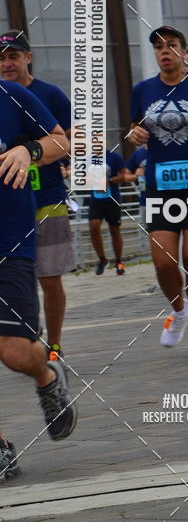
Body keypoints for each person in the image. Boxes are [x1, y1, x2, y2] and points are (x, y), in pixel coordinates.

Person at [0, 79, 77, 479]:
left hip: (9, 240)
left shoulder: (12, 96)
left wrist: (27, 150)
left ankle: (46, 376)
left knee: (14, 352)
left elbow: (60, 142)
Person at [129, 25, 188, 357]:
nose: (165, 51)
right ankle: (179, 312)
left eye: (172, 45)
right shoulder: (142, 89)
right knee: (163, 262)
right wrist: (134, 135)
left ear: (182, 51)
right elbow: (136, 127)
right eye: (159, 47)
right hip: (159, 185)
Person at [0, 30, 76, 363]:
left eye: (13, 56)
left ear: (27, 57)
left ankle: (54, 345)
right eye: (1, 58)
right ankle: (27, 334)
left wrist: (35, 153)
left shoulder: (46, 94)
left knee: (48, 274)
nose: (7, 63)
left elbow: (69, 138)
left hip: (45, 194)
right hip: (10, 203)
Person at [87, 149, 127, 275]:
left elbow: (124, 175)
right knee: (94, 227)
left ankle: (119, 262)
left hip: (112, 199)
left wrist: (110, 181)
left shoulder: (114, 157)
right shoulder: (87, 158)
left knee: (114, 230)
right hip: (96, 199)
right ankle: (102, 259)